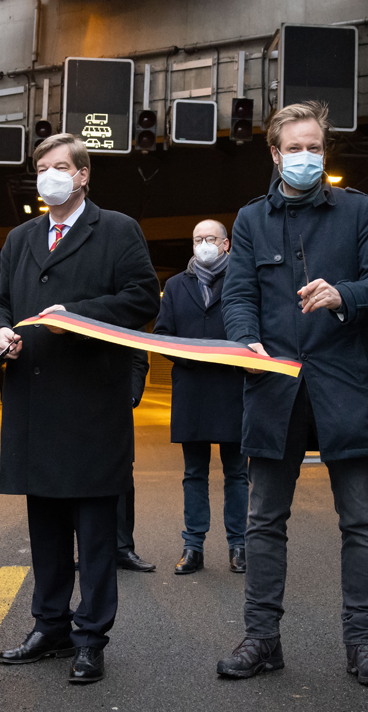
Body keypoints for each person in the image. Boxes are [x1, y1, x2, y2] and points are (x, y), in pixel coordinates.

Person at [216, 101, 368, 686]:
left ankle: (363, 644)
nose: (304, 157)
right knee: (264, 519)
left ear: (325, 152)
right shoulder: (250, 222)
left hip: (344, 387)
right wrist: (246, 342)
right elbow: (238, 295)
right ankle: (262, 639)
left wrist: (343, 293)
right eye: (292, 148)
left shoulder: (360, 212)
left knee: (361, 521)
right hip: (274, 389)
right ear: (274, 154)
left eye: (313, 147)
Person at [0, 133, 160, 684]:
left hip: (90, 408)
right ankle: (50, 626)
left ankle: (90, 638)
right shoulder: (20, 237)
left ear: (83, 176)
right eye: (42, 167)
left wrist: (76, 315)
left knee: (96, 534)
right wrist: (0, 332)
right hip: (34, 406)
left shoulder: (117, 230)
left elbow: (143, 298)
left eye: (61, 166)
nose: (50, 175)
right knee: (47, 531)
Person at [154, 220, 249, 576]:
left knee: (237, 474)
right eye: (197, 239)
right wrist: (190, 355)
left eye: (210, 238)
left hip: (233, 389)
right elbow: (163, 334)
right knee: (194, 473)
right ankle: (193, 547)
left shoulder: (243, 279)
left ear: (226, 244)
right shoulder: (176, 286)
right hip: (192, 391)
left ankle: (238, 545)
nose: (204, 244)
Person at [115, 350, 154, 572]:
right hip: (77, 405)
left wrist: (129, 396)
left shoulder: (125, 313)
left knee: (121, 475)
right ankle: (92, 549)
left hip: (117, 404)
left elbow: (138, 359)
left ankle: (122, 548)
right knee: (83, 478)